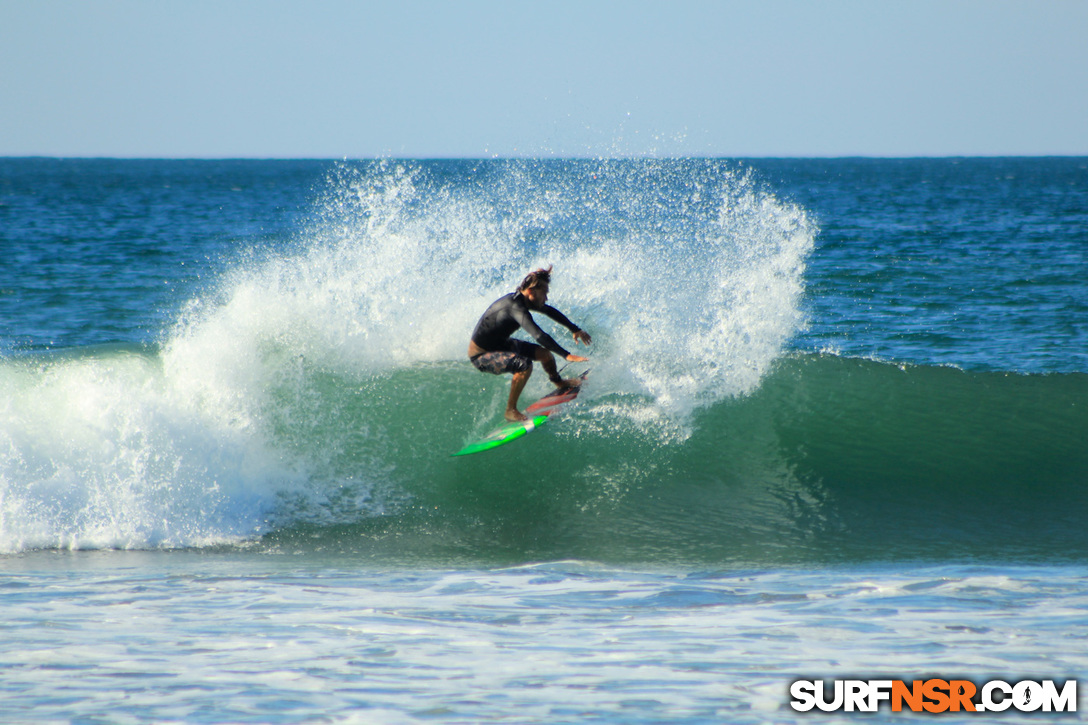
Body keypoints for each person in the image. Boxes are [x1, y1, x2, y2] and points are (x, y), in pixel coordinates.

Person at [468, 266, 592, 422]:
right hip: (481, 354)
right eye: (544, 293)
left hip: (501, 344)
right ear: (532, 291)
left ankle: (559, 382)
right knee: (524, 365)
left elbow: (549, 311)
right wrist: (566, 355)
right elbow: (538, 335)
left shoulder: (524, 299)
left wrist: (575, 329)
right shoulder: (515, 307)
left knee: (545, 354)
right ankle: (510, 410)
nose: (546, 298)